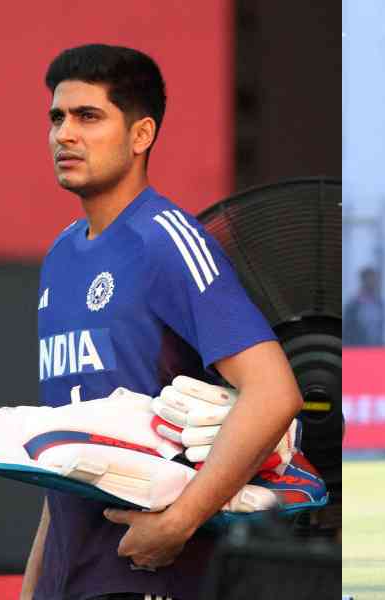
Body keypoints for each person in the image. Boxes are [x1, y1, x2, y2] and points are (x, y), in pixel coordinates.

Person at [21, 44, 303, 600]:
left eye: (88, 117)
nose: (64, 135)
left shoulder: (167, 239)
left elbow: (274, 392)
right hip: (68, 580)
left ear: (141, 134)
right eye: (57, 117)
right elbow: (67, 458)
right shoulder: (59, 255)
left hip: (148, 580)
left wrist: (177, 524)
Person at [342, 266, 385, 346]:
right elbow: (347, 331)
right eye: (371, 279)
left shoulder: (379, 303)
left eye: (375, 280)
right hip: (357, 348)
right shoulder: (352, 305)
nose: (374, 283)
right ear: (364, 280)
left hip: (376, 349)